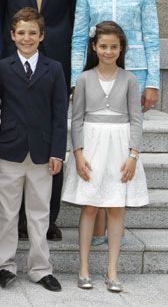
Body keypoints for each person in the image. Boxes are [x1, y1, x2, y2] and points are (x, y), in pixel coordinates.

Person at [0, 0, 87, 241]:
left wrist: (75, 67)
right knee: (17, 132)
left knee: (51, 131)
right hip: (16, 64)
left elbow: (79, 16)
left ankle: (48, 218)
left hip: (56, 61)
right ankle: (16, 218)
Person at [71, 0, 159, 245]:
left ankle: (108, 222)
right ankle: (98, 225)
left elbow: (151, 35)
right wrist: (74, 81)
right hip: (95, 79)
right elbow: (79, 36)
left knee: (120, 149)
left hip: (130, 80)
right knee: (98, 150)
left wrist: (152, 82)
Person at [63, 21, 148, 293]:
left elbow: (136, 119)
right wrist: (77, 154)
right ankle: (84, 268)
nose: (108, 51)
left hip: (121, 148)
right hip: (92, 146)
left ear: (121, 48)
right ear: (94, 47)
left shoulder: (130, 80)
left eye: (114, 47)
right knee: (89, 206)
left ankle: (113, 270)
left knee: (115, 208)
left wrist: (133, 155)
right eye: (103, 46)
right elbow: (76, 120)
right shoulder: (84, 78)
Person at [0, 7, 67, 293]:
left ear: (42, 36)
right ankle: (4, 266)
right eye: (21, 32)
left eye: (33, 33)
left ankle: (40, 268)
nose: (27, 37)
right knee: (6, 213)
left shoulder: (54, 69)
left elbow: (60, 114)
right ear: (12, 35)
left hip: (43, 153)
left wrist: (58, 152)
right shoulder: (2, 67)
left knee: (39, 213)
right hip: (9, 149)